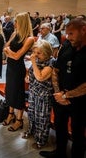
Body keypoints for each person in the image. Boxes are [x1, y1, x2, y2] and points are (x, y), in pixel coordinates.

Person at [39, 18, 86, 158]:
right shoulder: (66, 44)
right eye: (67, 34)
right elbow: (56, 70)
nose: (68, 37)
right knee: (60, 127)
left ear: (83, 30)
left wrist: (67, 95)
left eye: (71, 34)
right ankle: (60, 152)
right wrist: (58, 93)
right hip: (60, 97)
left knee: (78, 132)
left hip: (80, 101)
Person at [2, 12, 35, 131]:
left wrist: (10, 53)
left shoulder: (29, 38)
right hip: (10, 67)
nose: (14, 23)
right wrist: (11, 53)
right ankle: (11, 114)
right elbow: (5, 46)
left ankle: (19, 120)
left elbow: (17, 56)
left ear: (22, 22)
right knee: (10, 91)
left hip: (18, 68)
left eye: (16, 21)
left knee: (18, 93)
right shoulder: (15, 33)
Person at [22, 40, 55, 149]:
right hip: (33, 91)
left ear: (46, 52)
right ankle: (32, 131)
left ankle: (41, 141)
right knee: (31, 114)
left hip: (44, 95)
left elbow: (40, 77)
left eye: (39, 53)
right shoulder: (37, 60)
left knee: (42, 118)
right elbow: (32, 72)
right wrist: (28, 76)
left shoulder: (51, 62)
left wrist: (33, 62)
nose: (36, 55)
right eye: (35, 52)